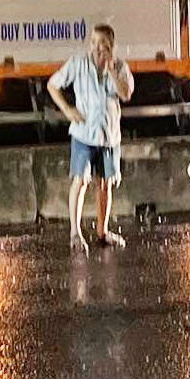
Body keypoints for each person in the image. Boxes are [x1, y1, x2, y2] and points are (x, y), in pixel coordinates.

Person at [47, 23, 135, 255]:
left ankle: (103, 231)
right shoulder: (78, 64)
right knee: (81, 180)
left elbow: (126, 94)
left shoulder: (120, 67)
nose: (98, 49)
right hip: (84, 133)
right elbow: (53, 85)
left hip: (108, 136)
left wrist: (111, 70)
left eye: (103, 45)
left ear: (111, 47)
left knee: (105, 183)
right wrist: (67, 110)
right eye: (94, 43)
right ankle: (75, 231)